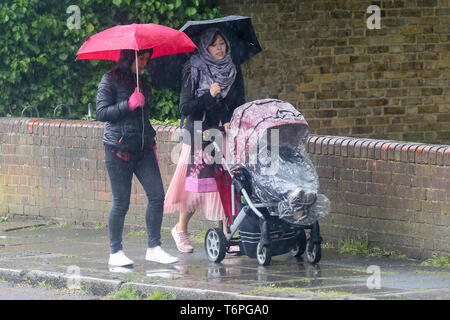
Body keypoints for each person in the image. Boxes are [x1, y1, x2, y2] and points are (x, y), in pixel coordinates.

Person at [164, 28, 245, 253]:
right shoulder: (194, 69)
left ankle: (226, 238)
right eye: (214, 44)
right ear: (204, 47)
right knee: (195, 188)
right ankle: (180, 229)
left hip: (224, 134)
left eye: (222, 43)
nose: (220, 48)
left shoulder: (233, 68)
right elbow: (185, 107)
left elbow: (240, 100)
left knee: (226, 185)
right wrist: (209, 95)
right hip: (199, 134)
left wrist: (230, 119)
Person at [96, 48, 178, 266]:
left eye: (146, 59)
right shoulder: (110, 79)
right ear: (129, 58)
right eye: (140, 59)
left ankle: (154, 247)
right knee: (121, 202)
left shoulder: (143, 82)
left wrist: (151, 144)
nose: (144, 63)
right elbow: (101, 113)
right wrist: (128, 104)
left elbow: (143, 119)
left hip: (143, 149)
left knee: (157, 196)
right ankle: (115, 253)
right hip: (118, 149)